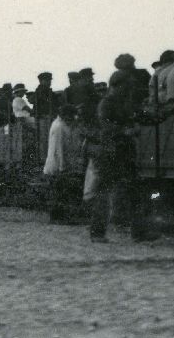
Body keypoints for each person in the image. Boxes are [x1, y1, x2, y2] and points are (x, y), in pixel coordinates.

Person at [89, 71, 155, 242]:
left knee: (135, 192)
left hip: (124, 152)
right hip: (111, 152)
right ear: (117, 85)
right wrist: (125, 131)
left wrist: (160, 114)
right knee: (104, 192)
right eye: (127, 87)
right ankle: (97, 233)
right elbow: (105, 125)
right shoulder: (106, 103)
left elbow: (141, 116)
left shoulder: (122, 102)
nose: (129, 90)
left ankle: (139, 233)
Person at [41, 101, 85, 224]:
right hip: (57, 165)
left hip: (62, 164)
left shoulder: (64, 124)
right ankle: (57, 218)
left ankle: (60, 217)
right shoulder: (59, 127)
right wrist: (62, 167)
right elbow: (58, 149)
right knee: (58, 192)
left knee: (61, 192)